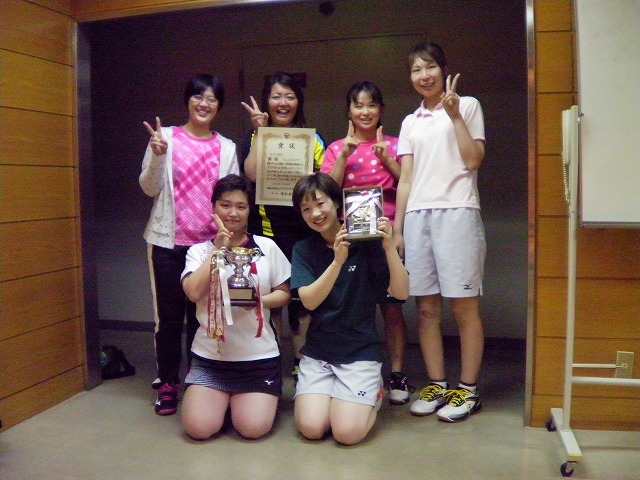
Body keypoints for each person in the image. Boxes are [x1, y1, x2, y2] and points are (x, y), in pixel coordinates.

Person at [393, 42, 486, 422]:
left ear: (444, 70)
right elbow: (405, 179)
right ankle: (437, 384)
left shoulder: (468, 105)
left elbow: (473, 159)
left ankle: (468, 390)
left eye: (429, 67)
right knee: (426, 307)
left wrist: (455, 115)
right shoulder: (410, 122)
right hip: (418, 217)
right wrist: (398, 229)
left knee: (463, 306)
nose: (424, 75)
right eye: (416, 70)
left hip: (458, 211)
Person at [140, 74, 239, 416]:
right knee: (168, 318)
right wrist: (157, 156)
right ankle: (168, 382)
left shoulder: (226, 148)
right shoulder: (165, 138)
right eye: (198, 96)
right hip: (167, 244)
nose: (204, 104)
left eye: (212, 99)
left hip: (208, 247)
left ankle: (199, 380)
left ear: (218, 106)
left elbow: (231, 198)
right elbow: (149, 188)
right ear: (188, 100)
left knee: (203, 318)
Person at [290, 172, 409, 445]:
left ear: (337, 203)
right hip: (319, 353)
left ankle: (374, 390)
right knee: (311, 428)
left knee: (346, 433)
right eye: (306, 209)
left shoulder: (369, 244)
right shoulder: (303, 249)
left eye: (320, 203)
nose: (315, 213)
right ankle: (337, 395)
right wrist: (337, 262)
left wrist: (389, 247)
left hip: (359, 353)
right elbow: (309, 301)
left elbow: (401, 293)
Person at [321, 81, 413, 405]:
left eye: (371, 104)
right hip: (349, 241)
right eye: (358, 105)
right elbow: (326, 191)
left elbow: (411, 184)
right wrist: (344, 156)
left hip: (386, 239)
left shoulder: (396, 145)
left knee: (392, 307)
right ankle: (349, 369)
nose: (365, 111)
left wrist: (388, 160)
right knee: (350, 307)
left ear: (381, 109)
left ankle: (397, 373)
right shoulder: (337, 148)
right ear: (348, 111)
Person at [180, 174, 291, 440]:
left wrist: (259, 301)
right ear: (214, 208)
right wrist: (218, 251)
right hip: (210, 358)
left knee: (253, 429)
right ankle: (221, 401)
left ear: (249, 210)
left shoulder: (266, 247)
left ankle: (239, 404)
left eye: (241, 206)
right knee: (198, 429)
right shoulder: (198, 251)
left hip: (258, 359)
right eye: (225, 205)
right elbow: (193, 292)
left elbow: (284, 294)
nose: (233, 213)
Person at [240, 72, 325, 380]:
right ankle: (270, 360)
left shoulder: (312, 139)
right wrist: (260, 132)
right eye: (276, 96)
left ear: (298, 102)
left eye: (290, 96)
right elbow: (250, 174)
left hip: (304, 232)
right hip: (266, 231)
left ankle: (303, 363)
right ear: (267, 101)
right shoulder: (255, 136)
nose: (283, 103)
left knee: (302, 302)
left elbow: (325, 180)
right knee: (271, 298)